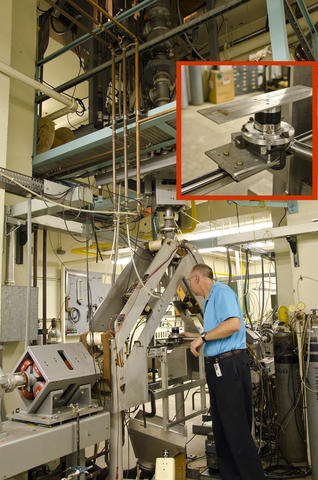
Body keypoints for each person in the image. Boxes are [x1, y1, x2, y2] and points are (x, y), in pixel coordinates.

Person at [183, 263, 266, 480]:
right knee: (222, 432)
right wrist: (199, 337)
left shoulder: (222, 292)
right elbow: (218, 330)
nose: (191, 287)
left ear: (197, 278)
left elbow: (233, 325)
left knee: (236, 432)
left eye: (190, 281)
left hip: (229, 368)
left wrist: (203, 337)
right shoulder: (209, 301)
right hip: (218, 369)